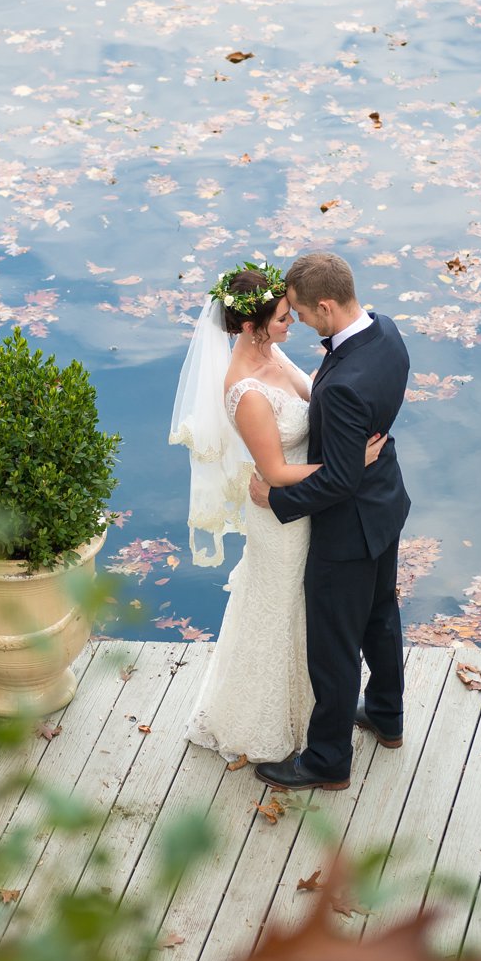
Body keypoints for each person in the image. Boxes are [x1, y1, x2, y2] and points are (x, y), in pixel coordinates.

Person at [169, 260, 385, 765]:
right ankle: (263, 721)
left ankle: (311, 708)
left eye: (293, 313)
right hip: (282, 519)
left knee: (308, 615)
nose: (294, 324)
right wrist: (350, 462)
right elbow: (275, 472)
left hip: (313, 505)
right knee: (281, 612)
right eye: (285, 317)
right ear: (250, 325)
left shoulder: (276, 356)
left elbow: (315, 400)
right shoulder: (244, 390)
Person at [248, 250, 411, 792]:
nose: (297, 320)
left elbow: (339, 481)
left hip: (347, 530)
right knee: (381, 617)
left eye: (300, 310)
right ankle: (387, 715)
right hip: (386, 506)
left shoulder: (341, 386)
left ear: (325, 305)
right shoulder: (386, 333)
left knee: (334, 646)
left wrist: (277, 499)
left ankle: (326, 760)